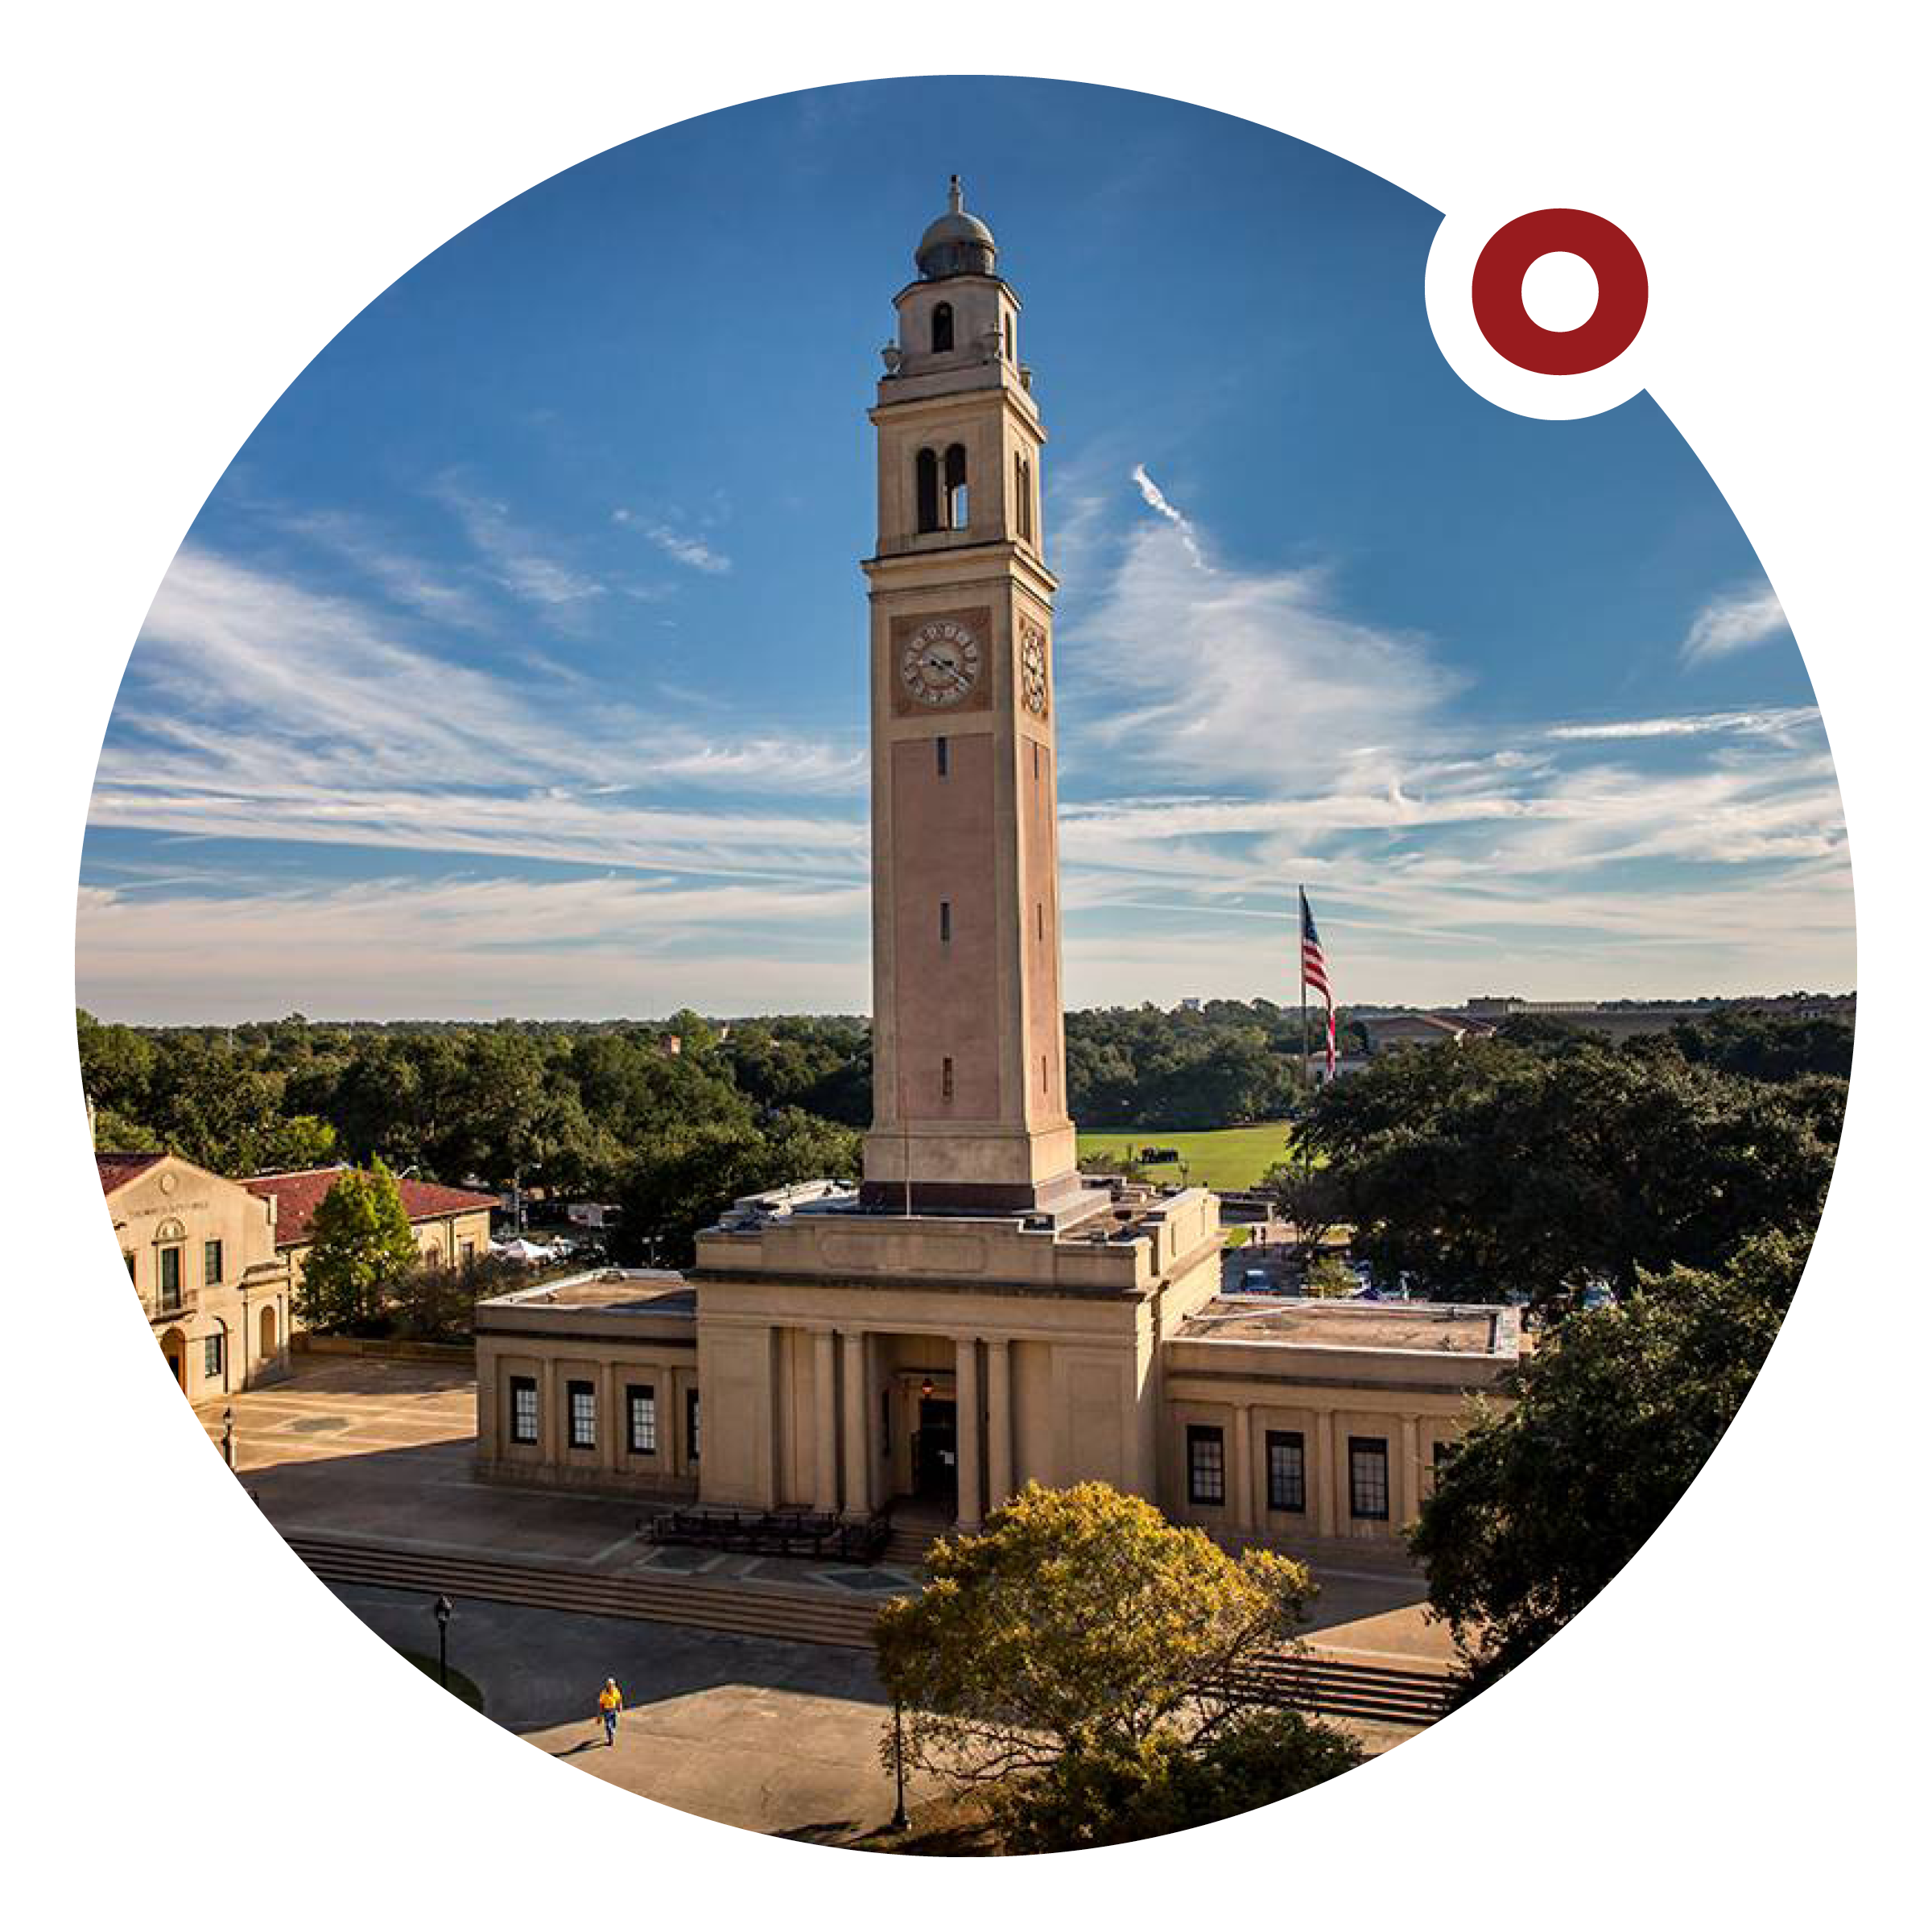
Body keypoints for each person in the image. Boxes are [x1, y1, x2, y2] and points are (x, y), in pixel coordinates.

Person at [597, 1677, 623, 1746]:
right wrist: (600, 1716)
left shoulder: (616, 1691)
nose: (611, 1686)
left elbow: (619, 1699)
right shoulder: (604, 1693)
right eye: (609, 1685)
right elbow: (601, 1704)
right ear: (607, 1685)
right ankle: (610, 1739)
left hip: (614, 1710)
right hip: (607, 1711)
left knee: (614, 1723)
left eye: (612, 1685)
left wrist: (620, 1706)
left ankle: (612, 1732)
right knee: (608, 1726)